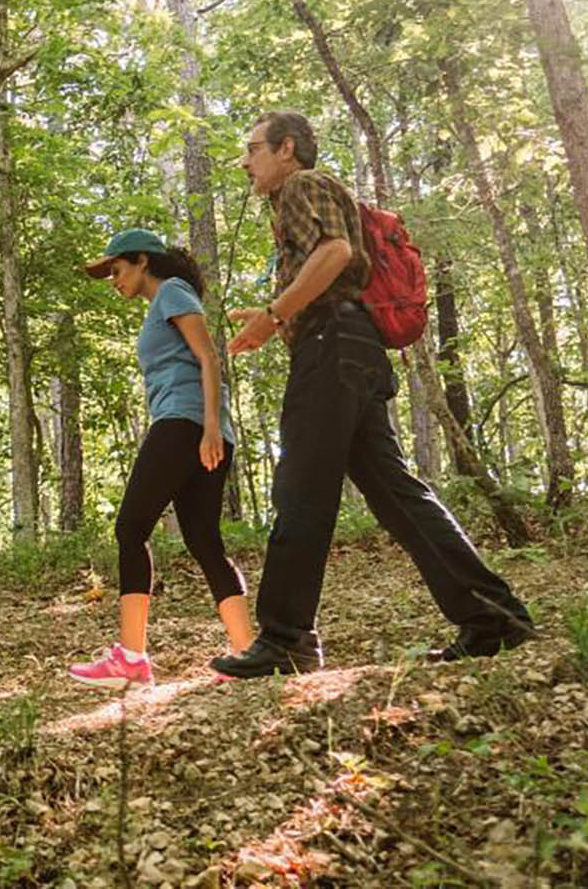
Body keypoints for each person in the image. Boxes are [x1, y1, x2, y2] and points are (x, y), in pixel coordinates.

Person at [209, 111, 532, 679]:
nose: (246, 163)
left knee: (302, 489)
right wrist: (278, 319)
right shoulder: (304, 193)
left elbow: (334, 254)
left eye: (253, 149)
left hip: (333, 345)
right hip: (349, 347)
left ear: (286, 149)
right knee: (395, 493)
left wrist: (274, 313)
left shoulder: (302, 185)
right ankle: (494, 618)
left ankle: (286, 639)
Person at [68, 228, 256, 687]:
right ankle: (249, 653)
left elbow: (209, 357)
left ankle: (132, 659)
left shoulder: (172, 291)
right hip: (196, 425)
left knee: (131, 527)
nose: (113, 280)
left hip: (184, 424)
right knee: (203, 541)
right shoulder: (163, 303)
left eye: (116, 269)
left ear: (142, 262)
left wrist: (210, 426)